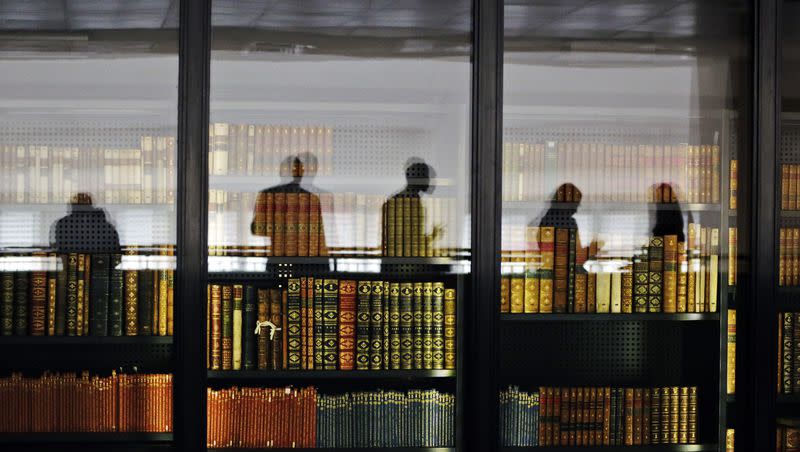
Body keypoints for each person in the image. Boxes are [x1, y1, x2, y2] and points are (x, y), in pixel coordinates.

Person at [251, 154, 327, 257]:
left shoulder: (267, 195)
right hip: (305, 260)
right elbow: (318, 238)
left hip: (279, 258)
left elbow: (257, 229)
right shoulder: (311, 199)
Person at [381, 158, 442, 256]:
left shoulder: (395, 200)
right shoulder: (412, 204)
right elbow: (413, 244)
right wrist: (434, 235)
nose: (431, 182)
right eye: (428, 177)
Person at [50, 192, 121, 254]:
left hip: (73, 266)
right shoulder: (106, 227)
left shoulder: (63, 224)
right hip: (101, 267)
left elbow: (60, 250)